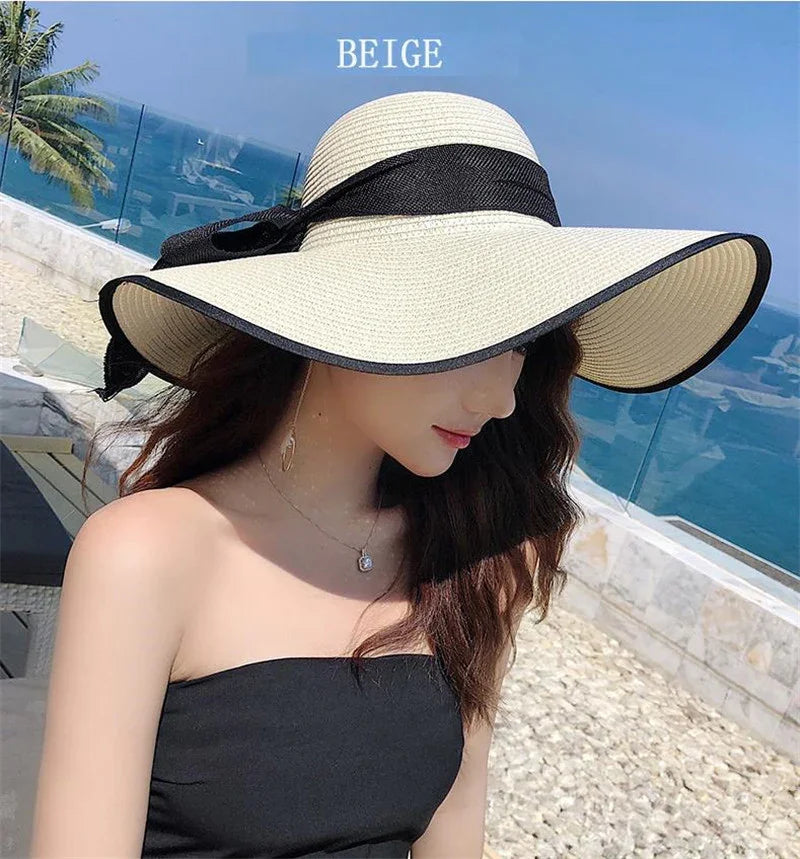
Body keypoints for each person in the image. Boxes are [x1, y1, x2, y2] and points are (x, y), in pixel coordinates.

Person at [28, 90, 771, 858]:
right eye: (472, 333)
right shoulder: (148, 556)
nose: (502, 396)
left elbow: (455, 835)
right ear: (334, 311)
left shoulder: (478, 558)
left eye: (521, 341)